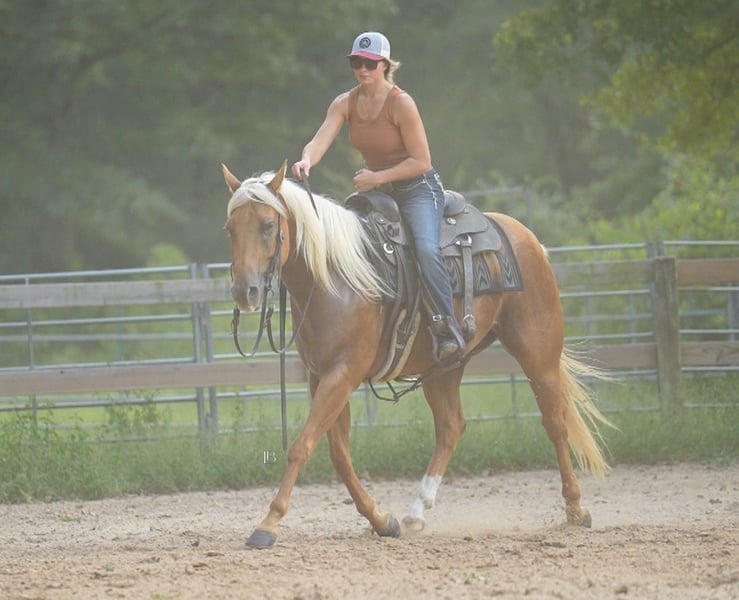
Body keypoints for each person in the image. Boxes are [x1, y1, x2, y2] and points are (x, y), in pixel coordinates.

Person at [291, 31, 465, 366]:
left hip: (418, 188)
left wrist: (376, 178)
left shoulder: (401, 103)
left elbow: (421, 161)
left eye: (370, 63)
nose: (362, 69)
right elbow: (320, 138)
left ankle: (447, 328)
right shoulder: (345, 103)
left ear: (385, 65)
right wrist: (307, 159)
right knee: (355, 246)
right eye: (356, 62)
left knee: (426, 249)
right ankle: (375, 322)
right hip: (378, 191)